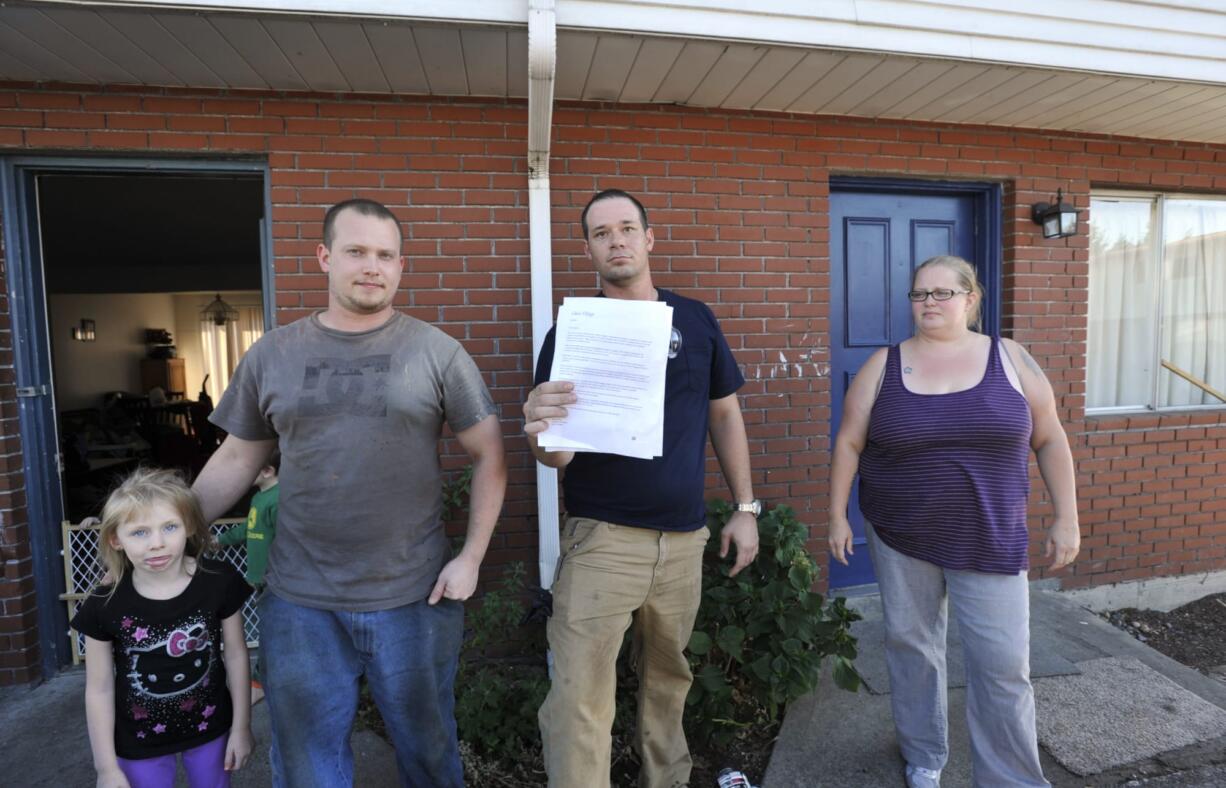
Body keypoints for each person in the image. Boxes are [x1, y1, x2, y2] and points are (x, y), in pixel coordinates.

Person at [192, 198, 507, 788]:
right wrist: (175, 534)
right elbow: (238, 455)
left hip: (416, 594)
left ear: (400, 265)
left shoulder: (436, 352)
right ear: (323, 257)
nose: (372, 266)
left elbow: (490, 454)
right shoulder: (273, 354)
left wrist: (471, 558)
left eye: (385, 255)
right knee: (309, 764)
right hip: (300, 601)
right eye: (356, 251)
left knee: (428, 753)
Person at [523, 189, 760, 788]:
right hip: (603, 540)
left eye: (627, 228)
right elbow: (556, 455)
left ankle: (668, 781)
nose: (617, 240)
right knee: (579, 697)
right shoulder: (573, 331)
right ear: (589, 250)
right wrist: (538, 427)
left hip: (683, 541)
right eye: (602, 233)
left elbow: (725, 415)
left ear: (650, 239)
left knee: (668, 681)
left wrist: (745, 508)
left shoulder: (696, 319)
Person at [828, 255, 1080, 788]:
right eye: (920, 294)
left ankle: (1011, 777)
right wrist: (836, 515)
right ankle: (923, 754)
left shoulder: (1009, 358)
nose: (930, 304)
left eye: (943, 293)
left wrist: (1067, 518)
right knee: (912, 647)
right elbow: (849, 441)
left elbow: (1051, 436)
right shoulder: (884, 364)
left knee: (1003, 665)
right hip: (901, 532)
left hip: (990, 535)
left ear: (971, 299)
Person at [73, 467, 253, 788]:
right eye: (140, 532)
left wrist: (241, 727)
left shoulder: (218, 581)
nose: (157, 543)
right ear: (115, 539)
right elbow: (99, 689)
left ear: (190, 527)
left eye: (169, 527)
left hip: (211, 728)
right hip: (139, 741)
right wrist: (106, 768)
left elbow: (237, 655)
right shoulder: (103, 604)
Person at [217, 449, 280, 704]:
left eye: (251, 466)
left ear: (267, 471)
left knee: (272, 633)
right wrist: (220, 540)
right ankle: (263, 681)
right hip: (261, 578)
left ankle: (259, 682)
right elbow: (248, 527)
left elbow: (288, 540)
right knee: (270, 630)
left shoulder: (278, 500)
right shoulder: (259, 498)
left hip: (276, 580)